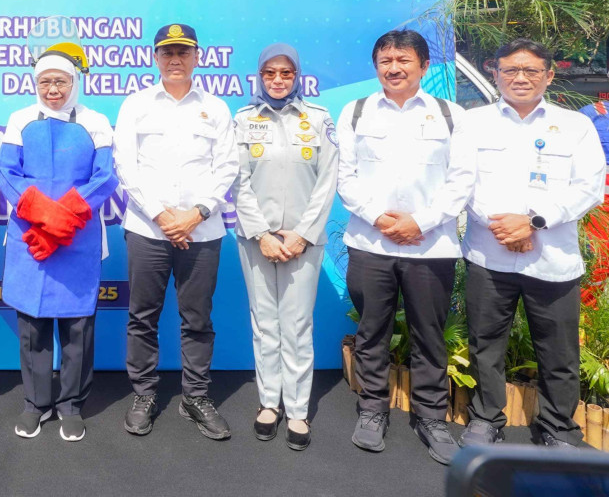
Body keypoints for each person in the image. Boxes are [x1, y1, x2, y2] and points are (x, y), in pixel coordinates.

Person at [336, 29, 474, 465]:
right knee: (372, 330)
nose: (394, 68)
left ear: (424, 66)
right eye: (385, 60)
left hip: (430, 247)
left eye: (403, 60)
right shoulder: (356, 112)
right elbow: (345, 176)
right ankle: (372, 409)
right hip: (370, 242)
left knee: (429, 334)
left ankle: (432, 417)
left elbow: (462, 179)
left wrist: (422, 221)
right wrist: (380, 218)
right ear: (376, 66)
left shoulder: (450, 115)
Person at [460, 39, 605, 449]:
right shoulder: (474, 122)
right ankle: (486, 419)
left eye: (530, 71)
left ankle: (558, 428)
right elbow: (463, 184)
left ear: (549, 75)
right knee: (485, 345)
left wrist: (533, 223)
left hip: (553, 260)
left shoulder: (574, 125)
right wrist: (506, 228)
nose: (520, 78)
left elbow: (589, 187)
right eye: (510, 70)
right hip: (489, 256)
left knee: (558, 354)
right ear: (496, 73)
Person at [113, 23, 239, 439]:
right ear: (155, 57)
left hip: (202, 232)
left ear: (197, 56)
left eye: (183, 52)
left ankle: (195, 397)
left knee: (197, 318)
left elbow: (227, 167)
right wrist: (162, 216)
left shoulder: (216, 108)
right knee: (142, 317)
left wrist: (196, 213)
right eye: (167, 52)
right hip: (148, 229)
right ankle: (145, 394)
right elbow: (126, 167)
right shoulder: (136, 105)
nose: (175, 60)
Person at [0, 28, 116, 442]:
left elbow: (104, 180)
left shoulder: (96, 122)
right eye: (45, 81)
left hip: (78, 236)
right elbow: (6, 174)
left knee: (77, 326)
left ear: (74, 83)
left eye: (60, 81)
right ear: (35, 84)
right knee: (32, 324)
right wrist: (41, 214)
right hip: (29, 236)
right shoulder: (20, 120)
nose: (53, 89)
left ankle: (70, 405)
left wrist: (62, 216)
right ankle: (36, 404)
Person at [231, 43, 338, 451]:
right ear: (260, 76)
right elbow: (236, 181)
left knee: (296, 325)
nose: (278, 80)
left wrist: (301, 234)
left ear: (298, 76)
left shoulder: (318, 119)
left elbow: (328, 179)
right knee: (265, 323)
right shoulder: (244, 120)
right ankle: (267, 404)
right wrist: (260, 233)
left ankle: (296, 409)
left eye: (286, 73)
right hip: (256, 239)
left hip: (302, 242)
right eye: (270, 73)